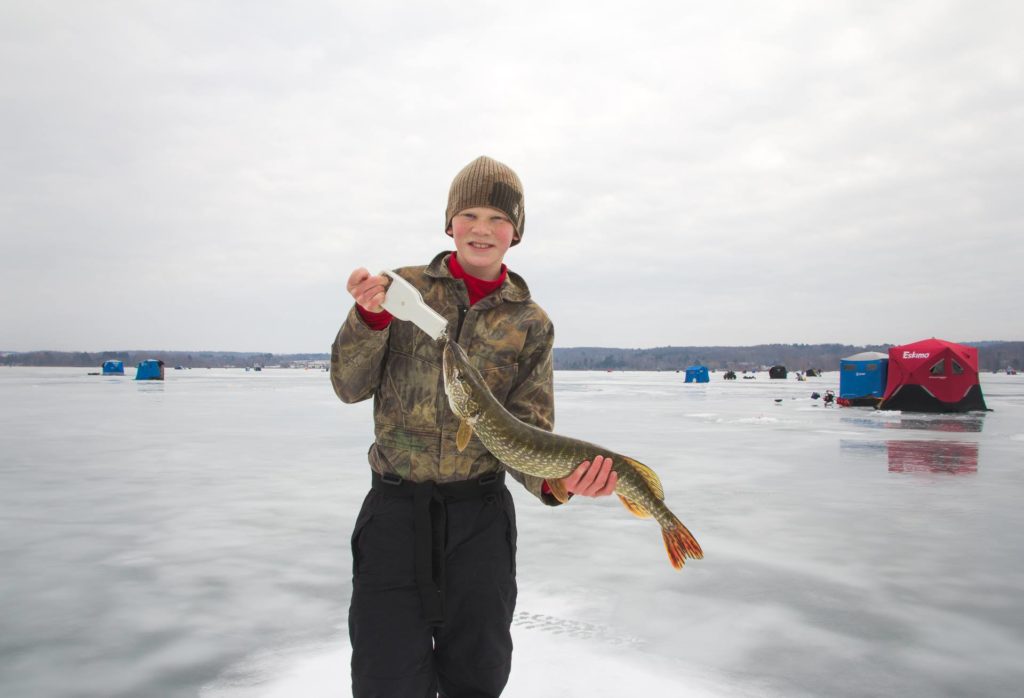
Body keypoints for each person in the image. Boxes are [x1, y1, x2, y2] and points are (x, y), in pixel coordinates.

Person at [331, 155, 617, 697]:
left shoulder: (530, 321)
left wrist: (559, 481)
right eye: (469, 214)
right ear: (449, 223)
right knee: (384, 679)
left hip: (480, 524)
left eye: (497, 218)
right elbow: (348, 385)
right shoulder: (400, 290)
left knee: (476, 679)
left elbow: (528, 430)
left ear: (516, 232)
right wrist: (368, 319)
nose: (482, 229)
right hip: (395, 516)